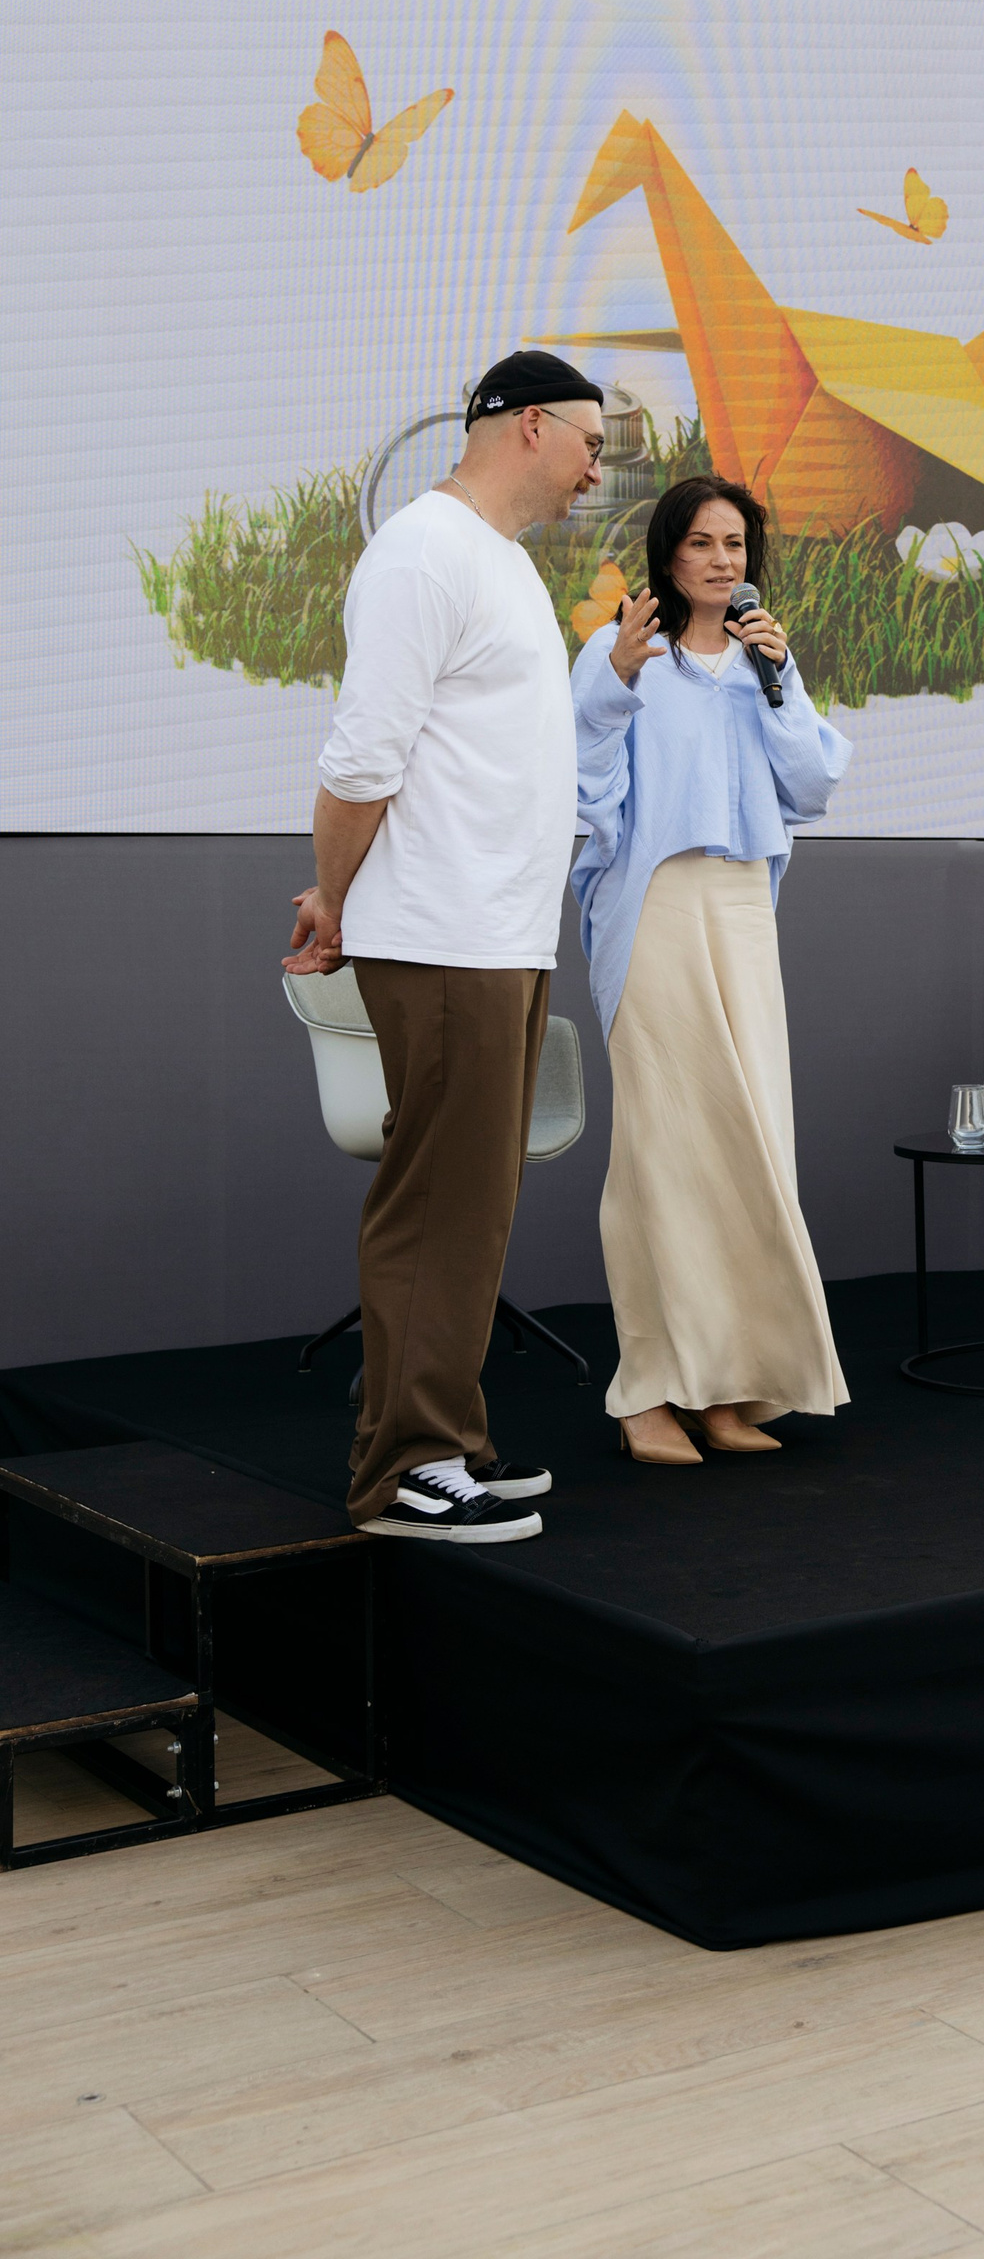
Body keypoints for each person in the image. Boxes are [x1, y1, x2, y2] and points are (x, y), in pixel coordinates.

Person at [283, 348, 606, 1541]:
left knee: (473, 1205)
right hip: (445, 936)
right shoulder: (425, 552)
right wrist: (335, 898)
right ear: (528, 427)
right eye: (590, 444)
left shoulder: (499, 560)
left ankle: (449, 1441)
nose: (596, 471)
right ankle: (404, 1471)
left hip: (499, 935)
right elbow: (363, 757)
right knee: (435, 1202)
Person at [571, 473, 852, 1465]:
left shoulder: (764, 660)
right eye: (701, 543)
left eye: (735, 544)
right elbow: (578, 781)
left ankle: (728, 1385)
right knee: (666, 1148)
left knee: (751, 1140)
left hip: (740, 906)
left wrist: (778, 681)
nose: (721, 561)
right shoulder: (621, 653)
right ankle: (648, 1390)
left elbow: (810, 786)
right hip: (652, 902)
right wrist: (613, 682)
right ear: (669, 553)